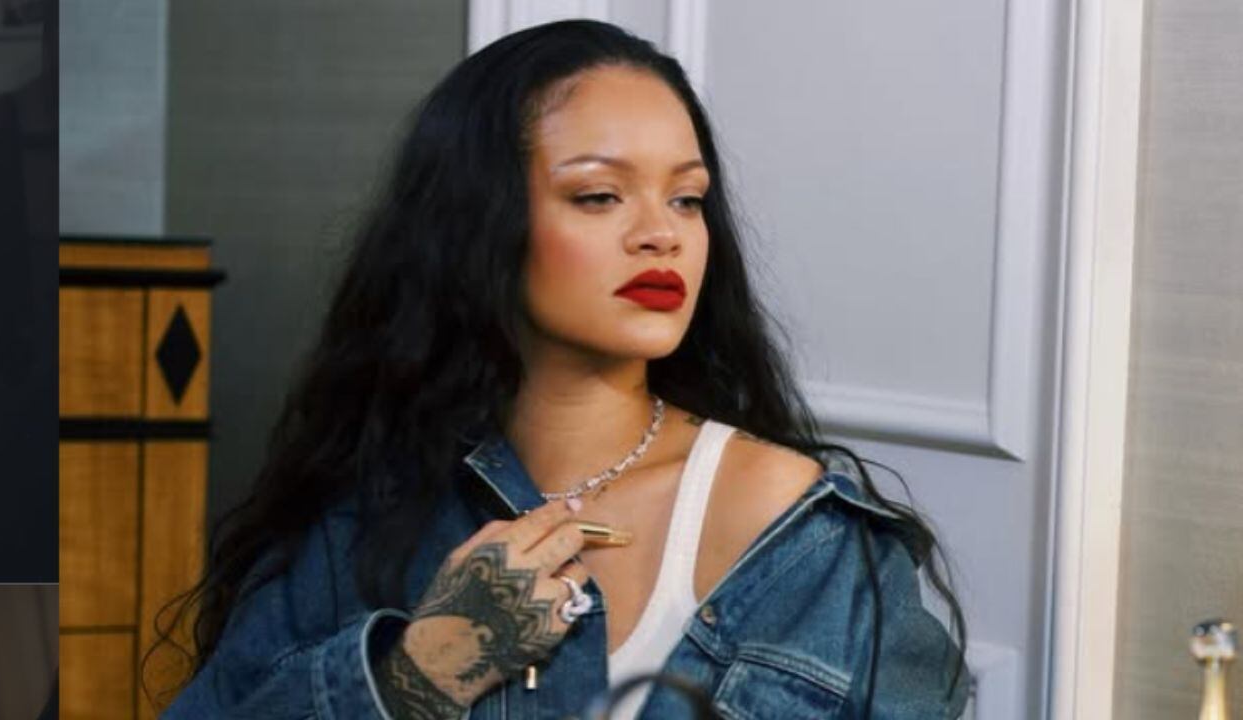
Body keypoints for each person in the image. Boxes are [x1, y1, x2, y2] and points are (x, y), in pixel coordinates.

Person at [149, 19, 971, 720]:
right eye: (599, 196)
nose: (662, 234)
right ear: (479, 224)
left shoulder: (806, 538)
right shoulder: (365, 521)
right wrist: (414, 677)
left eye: (686, 198)